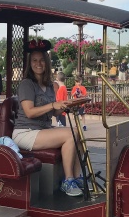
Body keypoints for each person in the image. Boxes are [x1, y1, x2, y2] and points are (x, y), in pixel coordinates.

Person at [12, 40, 83, 197]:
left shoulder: (50, 85)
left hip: (42, 129)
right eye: (35, 60)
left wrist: (65, 106)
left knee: (77, 132)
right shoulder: (26, 84)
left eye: (42, 60)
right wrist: (53, 105)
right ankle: (68, 181)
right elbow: (30, 112)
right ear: (30, 64)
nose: (39, 64)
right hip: (25, 132)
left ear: (47, 62)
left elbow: (52, 112)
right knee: (69, 134)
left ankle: (78, 178)